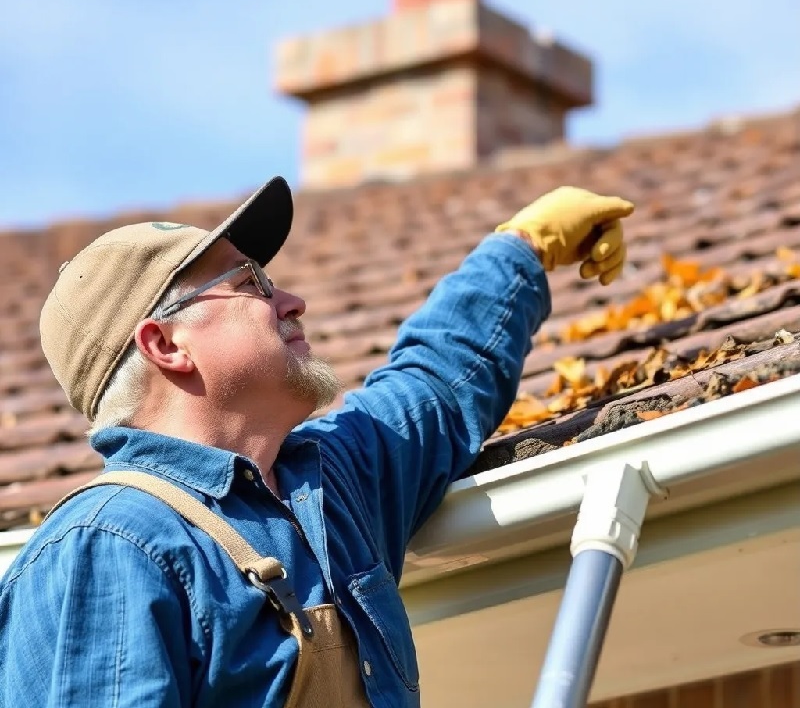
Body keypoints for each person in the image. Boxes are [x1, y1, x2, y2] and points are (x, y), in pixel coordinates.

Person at [0, 176, 633, 707]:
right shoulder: (108, 546)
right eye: (253, 285)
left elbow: (438, 382)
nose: (294, 301)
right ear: (166, 345)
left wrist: (521, 249)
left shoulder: (328, 489)